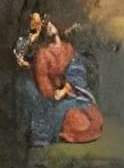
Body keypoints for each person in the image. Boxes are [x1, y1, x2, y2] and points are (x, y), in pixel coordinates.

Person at [14, 8, 104, 151]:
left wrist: (68, 88)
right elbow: (45, 87)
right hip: (57, 101)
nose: (48, 26)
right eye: (45, 26)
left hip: (73, 94)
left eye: (50, 23)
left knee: (95, 118)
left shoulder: (68, 47)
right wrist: (59, 93)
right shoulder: (43, 53)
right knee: (77, 121)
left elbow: (78, 72)